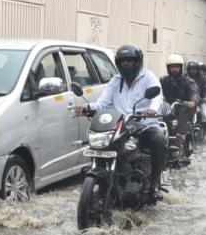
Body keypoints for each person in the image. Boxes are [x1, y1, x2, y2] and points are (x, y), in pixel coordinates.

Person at [74, 44, 167, 197]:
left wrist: (152, 110)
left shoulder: (148, 77)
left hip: (144, 124)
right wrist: (86, 107)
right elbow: (102, 102)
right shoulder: (115, 81)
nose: (125, 64)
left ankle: (154, 183)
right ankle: (112, 179)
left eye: (129, 60)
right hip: (121, 125)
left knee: (158, 138)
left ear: (137, 62)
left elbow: (157, 97)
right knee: (105, 145)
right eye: (122, 61)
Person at [159, 53, 199, 152]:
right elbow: (156, 91)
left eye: (177, 67)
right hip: (168, 107)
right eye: (172, 67)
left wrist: (192, 101)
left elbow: (194, 92)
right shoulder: (164, 80)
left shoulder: (188, 81)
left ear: (181, 68)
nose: (175, 69)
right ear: (168, 68)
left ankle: (179, 137)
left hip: (185, 106)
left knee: (183, 110)